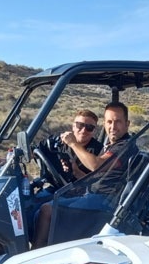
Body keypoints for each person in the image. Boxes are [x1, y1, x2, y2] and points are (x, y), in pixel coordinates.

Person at [32, 102, 138, 247]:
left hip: (104, 204)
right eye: (109, 122)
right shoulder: (111, 145)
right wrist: (76, 171)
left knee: (47, 210)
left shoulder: (124, 146)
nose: (113, 127)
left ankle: (36, 251)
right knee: (36, 205)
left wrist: (73, 144)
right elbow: (98, 177)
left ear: (127, 124)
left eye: (118, 121)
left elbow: (96, 165)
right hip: (94, 196)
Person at [39, 109, 103, 181]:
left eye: (89, 128)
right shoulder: (58, 141)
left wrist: (76, 172)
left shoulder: (99, 150)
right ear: (73, 126)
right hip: (54, 184)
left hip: (81, 187)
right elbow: (35, 150)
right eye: (80, 125)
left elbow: (99, 183)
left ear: (94, 131)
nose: (83, 130)